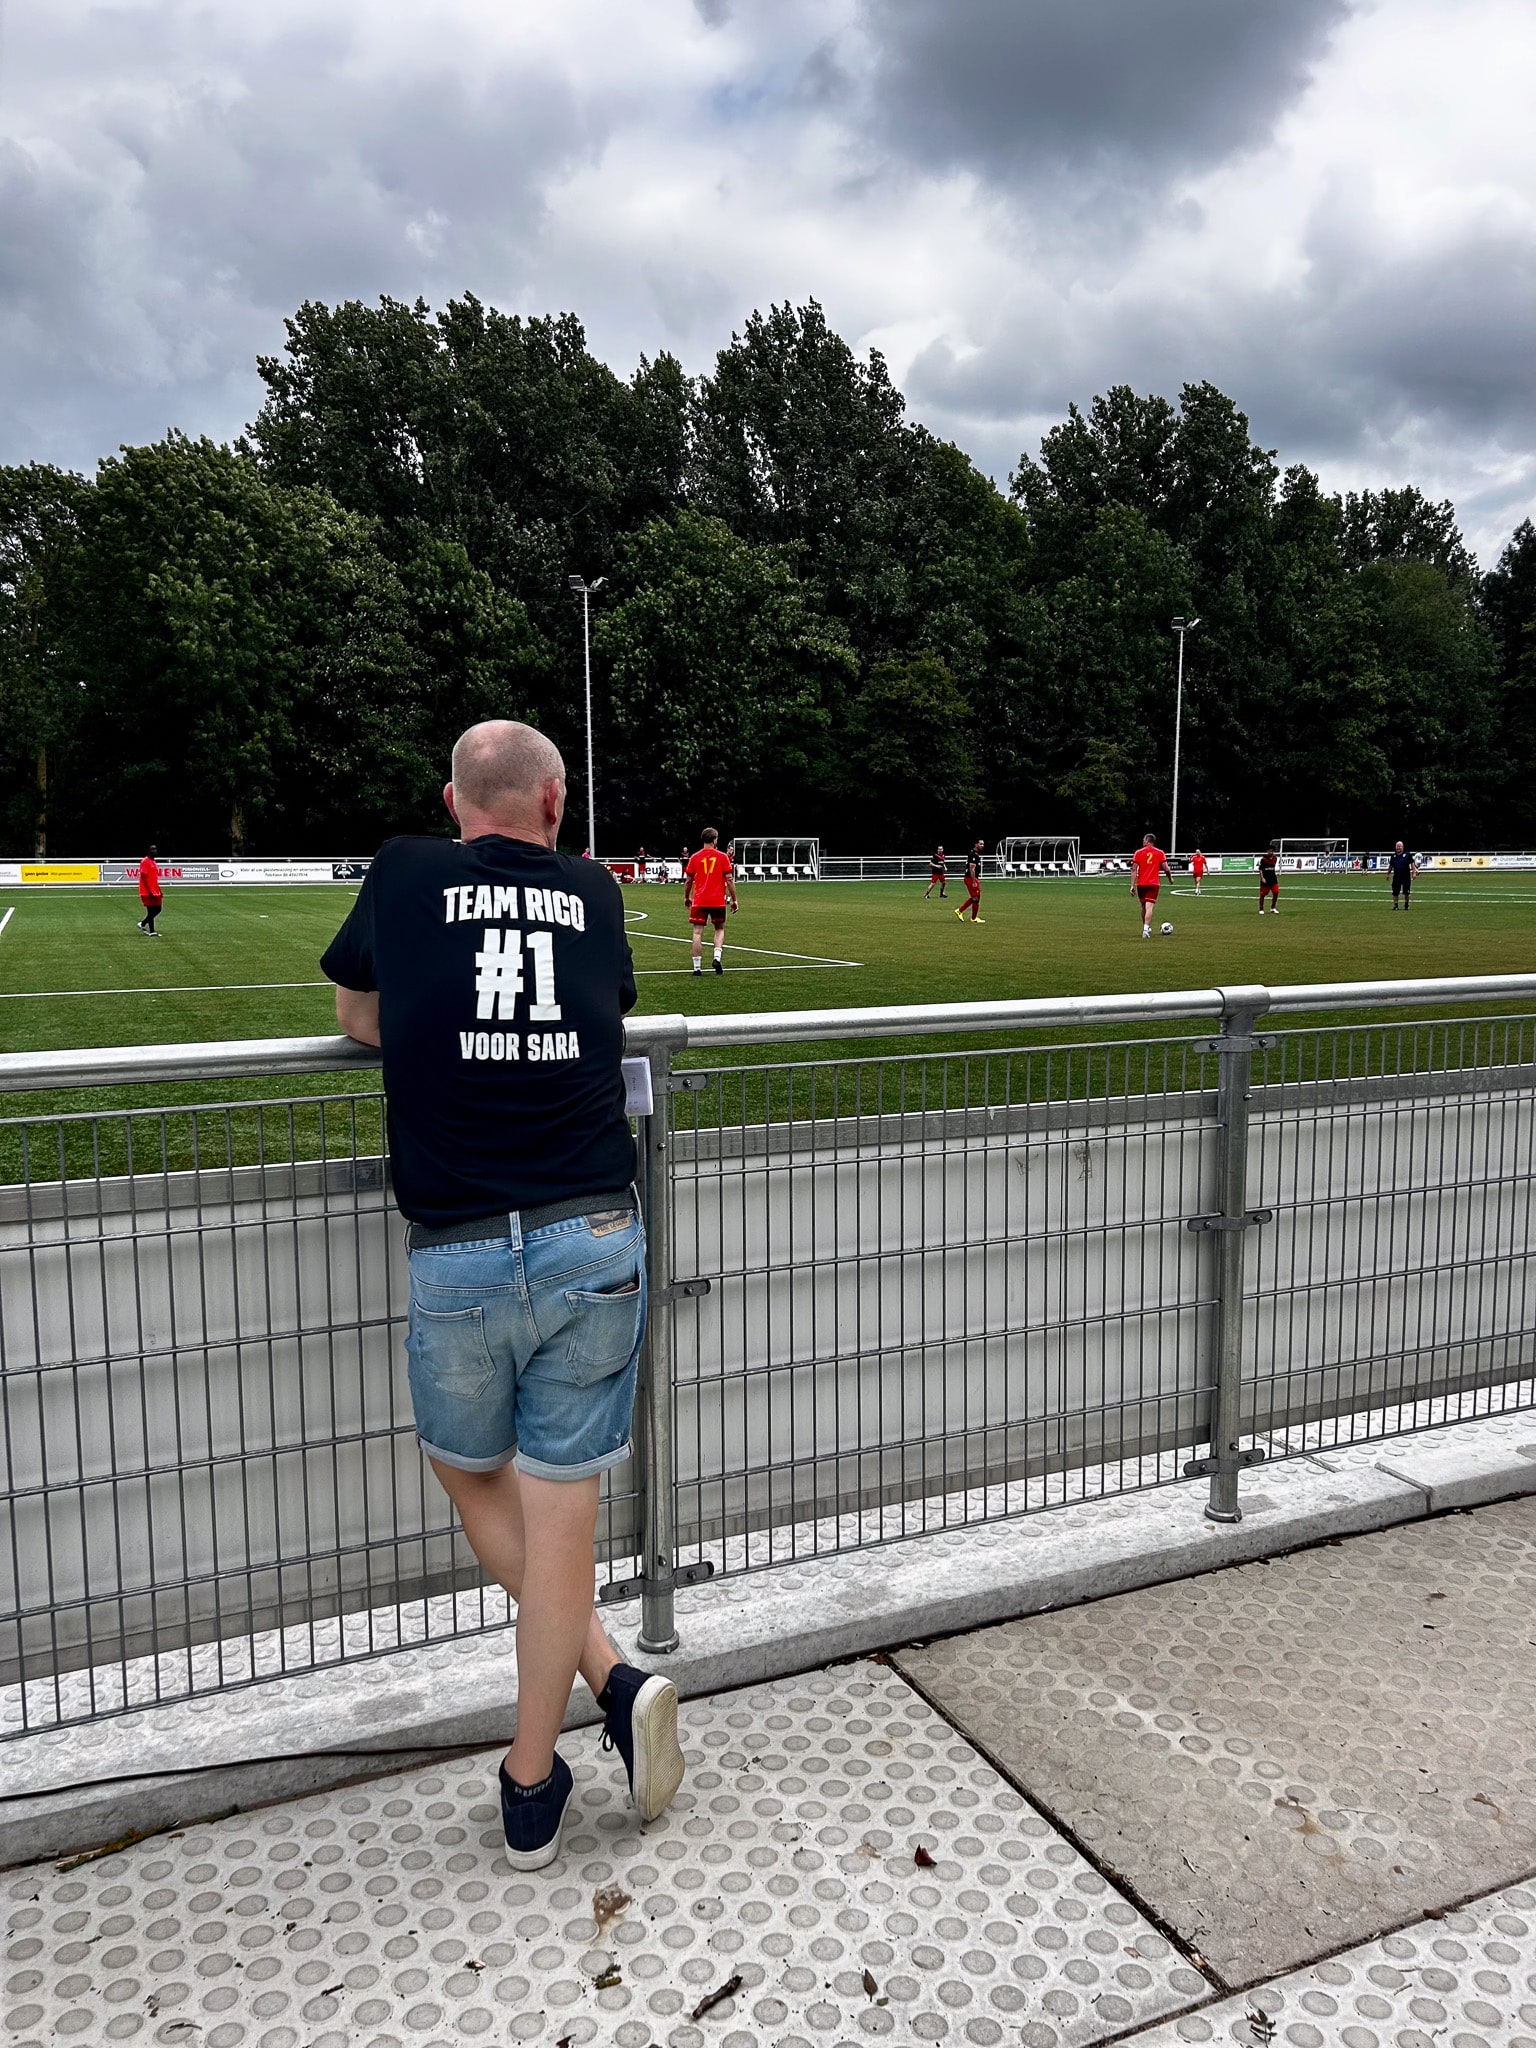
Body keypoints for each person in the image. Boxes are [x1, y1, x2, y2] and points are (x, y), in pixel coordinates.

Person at [321, 720, 685, 1872]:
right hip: (595, 1231)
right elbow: (600, 1009)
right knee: (563, 1512)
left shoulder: (403, 869)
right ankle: (570, 1732)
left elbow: (359, 1015)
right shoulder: (596, 891)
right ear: (555, 803)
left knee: (466, 1467)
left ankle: (570, 1739)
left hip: (462, 1248)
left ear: (453, 800)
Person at [684, 827, 737, 973]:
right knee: (719, 929)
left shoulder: (695, 857)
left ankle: (697, 968)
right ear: (714, 840)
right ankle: (717, 958)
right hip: (717, 900)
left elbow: (688, 880)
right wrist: (734, 900)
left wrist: (687, 897)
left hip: (699, 900)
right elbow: (729, 879)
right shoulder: (722, 857)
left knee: (697, 932)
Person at [1130, 833, 1166, 936]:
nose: (1143, 842)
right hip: (1153, 884)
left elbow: (1134, 870)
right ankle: (1146, 929)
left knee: (1143, 907)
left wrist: (1132, 885)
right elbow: (1166, 868)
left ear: (1147, 841)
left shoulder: (1138, 853)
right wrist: (1170, 878)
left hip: (1141, 884)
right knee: (1149, 907)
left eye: (1143, 840)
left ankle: (1146, 927)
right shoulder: (1160, 852)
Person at [953, 839, 985, 923]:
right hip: (970, 878)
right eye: (980, 844)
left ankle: (965, 913)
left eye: (983, 844)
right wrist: (974, 881)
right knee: (975, 898)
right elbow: (972, 868)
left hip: (973, 878)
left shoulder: (975, 854)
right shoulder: (973, 854)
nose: (982, 845)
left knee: (976, 898)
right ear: (976, 844)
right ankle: (966, 914)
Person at [136, 844, 163, 935]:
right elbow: (144, 877)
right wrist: (149, 891)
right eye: (152, 849)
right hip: (147, 891)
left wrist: (159, 890)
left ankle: (143, 923)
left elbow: (154, 879)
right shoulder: (145, 861)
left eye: (155, 849)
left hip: (155, 890)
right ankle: (152, 931)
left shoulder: (153, 862)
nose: (155, 851)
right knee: (151, 910)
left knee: (158, 909)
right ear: (148, 851)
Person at [1389, 840, 1414, 909]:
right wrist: (1388, 873)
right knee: (1395, 891)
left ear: (1402, 847)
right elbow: (1391, 865)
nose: (1398, 848)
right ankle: (1396, 905)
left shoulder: (1407, 855)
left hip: (1406, 876)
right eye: (1397, 846)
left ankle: (1406, 905)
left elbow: (1412, 864)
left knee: (1406, 891)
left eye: (1400, 846)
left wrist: (1414, 872)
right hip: (1396, 876)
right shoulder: (1393, 856)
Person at [1258, 845, 1281, 914]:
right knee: (1263, 894)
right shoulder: (1263, 859)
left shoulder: (1275, 859)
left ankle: (1273, 907)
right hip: (1266, 879)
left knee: (1276, 892)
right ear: (1267, 851)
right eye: (1270, 851)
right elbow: (1260, 869)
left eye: (1272, 851)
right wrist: (1262, 878)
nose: (1271, 852)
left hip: (1273, 879)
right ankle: (1261, 909)